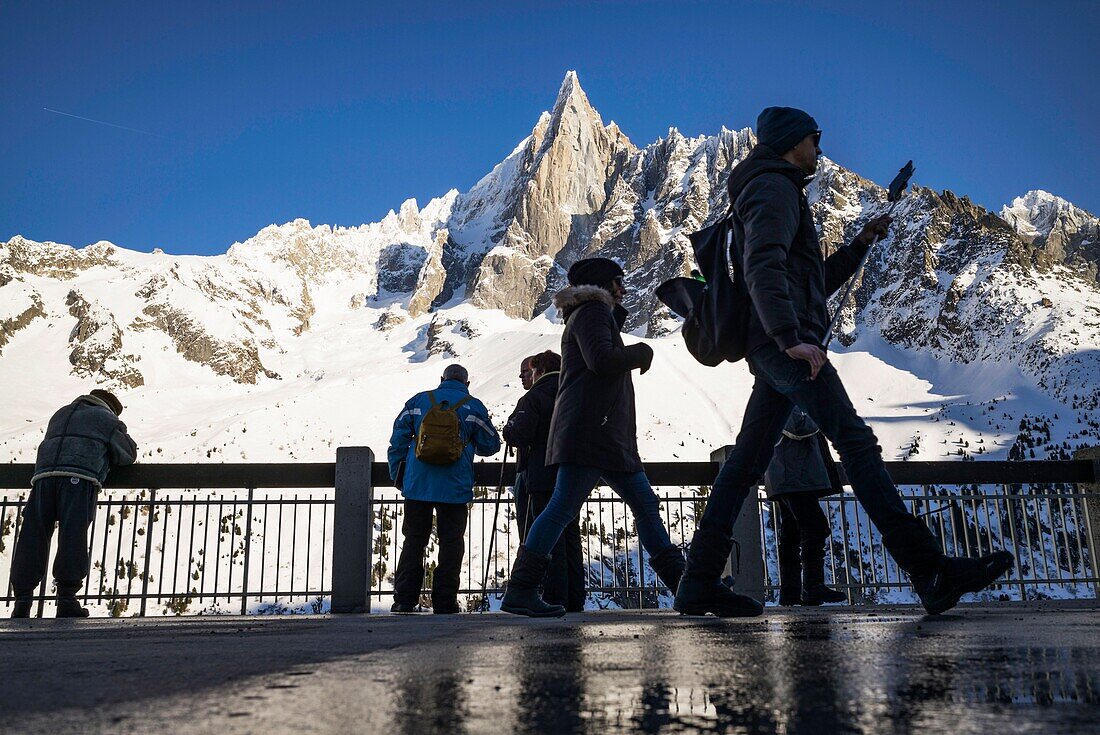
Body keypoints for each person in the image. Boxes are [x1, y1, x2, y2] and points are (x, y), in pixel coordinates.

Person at [674, 106, 1013, 617]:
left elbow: (804, 284)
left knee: (746, 463)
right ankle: (929, 570)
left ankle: (697, 580)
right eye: (814, 139)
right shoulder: (773, 189)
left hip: (775, 347)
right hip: (786, 347)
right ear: (792, 142)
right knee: (855, 441)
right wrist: (790, 338)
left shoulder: (772, 189)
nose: (820, 148)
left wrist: (857, 245)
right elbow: (762, 266)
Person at [500, 257, 687, 617]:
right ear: (603, 284)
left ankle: (685, 585)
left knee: (633, 506)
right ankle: (520, 589)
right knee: (562, 510)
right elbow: (601, 360)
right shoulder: (591, 312)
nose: (623, 288)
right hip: (592, 435)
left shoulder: (592, 315)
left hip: (600, 435)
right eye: (618, 281)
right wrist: (642, 351)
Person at [10, 389, 137, 618]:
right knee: (72, 536)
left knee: (33, 536)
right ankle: (67, 600)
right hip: (77, 479)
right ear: (110, 407)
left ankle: (22, 600)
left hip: (43, 479)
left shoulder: (60, 414)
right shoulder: (106, 418)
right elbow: (127, 454)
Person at [387, 364, 501, 614]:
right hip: (455, 486)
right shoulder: (473, 406)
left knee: (414, 541)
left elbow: (398, 440)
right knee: (451, 543)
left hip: (418, 486)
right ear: (466, 383)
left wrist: (399, 476)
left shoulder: (418, 401)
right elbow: (491, 445)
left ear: (442, 379)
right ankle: (445, 601)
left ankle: (405, 599)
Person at [503, 350, 585, 612]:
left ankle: (553, 597)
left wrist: (509, 429)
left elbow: (520, 435)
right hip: (572, 475)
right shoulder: (573, 392)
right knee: (570, 535)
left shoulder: (533, 397)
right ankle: (575, 597)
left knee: (550, 537)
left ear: (538, 370)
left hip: (541, 475)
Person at [764, 407, 846, 606]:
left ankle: (791, 592)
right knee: (815, 527)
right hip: (794, 475)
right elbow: (796, 428)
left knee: (792, 533)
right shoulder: (786, 392)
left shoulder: (781, 391)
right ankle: (812, 587)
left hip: (790, 475)